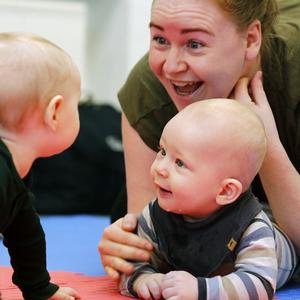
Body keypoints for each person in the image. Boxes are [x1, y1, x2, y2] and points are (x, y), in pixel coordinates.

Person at [98, 0, 300, 280]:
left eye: (194, 44)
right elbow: (151, 247)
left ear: (251, 40)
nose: (171, 66)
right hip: (217, 208)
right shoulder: (149, 87)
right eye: (159, 39)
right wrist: (124, 248)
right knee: (123, 212)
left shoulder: (293, 75)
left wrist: (267, 144)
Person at [118, 99, 297, 300]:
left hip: (285, 249)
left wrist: (199, 290)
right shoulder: (154, 215)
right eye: (162, 151)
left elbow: (260, 285)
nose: (159, 167)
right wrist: (143, 278)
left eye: (179, 163)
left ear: (226, 191)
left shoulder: (251, 227)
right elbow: (128, 261)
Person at [0, 32, 81, 299]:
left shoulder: (15, 175)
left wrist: (40, 289)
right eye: (76, 104)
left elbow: (25, 236)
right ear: (55, 112)